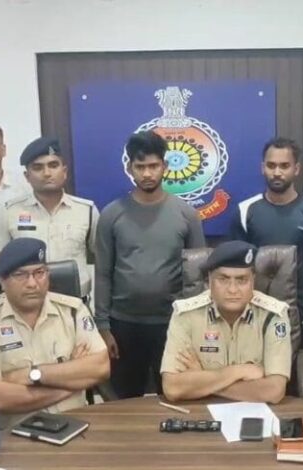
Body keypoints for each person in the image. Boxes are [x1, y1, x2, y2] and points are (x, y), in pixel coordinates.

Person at [95, 130, 206, 398]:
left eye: (153, 166)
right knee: (124, 402)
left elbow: (198, 276)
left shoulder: (186, 214)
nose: (147, 173)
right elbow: (103, 273)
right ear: (129, 168)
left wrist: (197, 326)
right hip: (123, 324)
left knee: (176, 398)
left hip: (173, 323)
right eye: (140, 166)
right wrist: (103, 326)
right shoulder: (111, 214)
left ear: (165, 166)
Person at [0, 238, 109, 428]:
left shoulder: (73, 311)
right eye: (20, 275)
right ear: (2, 281)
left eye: (39, 273)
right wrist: (72, 383)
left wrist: (32, 375)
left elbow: (101, 367)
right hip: (14, 434)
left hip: (76, 426)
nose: (32, 283)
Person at [230, 137, 303, 350]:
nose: (277, 172)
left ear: (296, 169)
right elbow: (234, 266)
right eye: (271, 165)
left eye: (284, 166)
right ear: (262, 168)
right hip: (252, 312)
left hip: (299, 312)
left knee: (297, 368)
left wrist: (296, 278)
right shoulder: (245, 211)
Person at [160, 240, 291, 403]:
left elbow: (273, 391)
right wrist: (237, 372)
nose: (232, 289)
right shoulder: (185, 315)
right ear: (210, 280)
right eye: (223, 279)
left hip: (256, 414)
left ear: (253, 281)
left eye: (241, 280)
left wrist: (202, 380)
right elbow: (172, 388)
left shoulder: (273, 316)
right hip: (199, 411)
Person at [0, 137, 99, 296]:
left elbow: (103, 259)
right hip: (27, 301)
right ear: (27, 176)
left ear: (64, 172)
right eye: (38, 168)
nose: (47, 173)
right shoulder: (10, 211)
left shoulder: (86, 210)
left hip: (76, 301)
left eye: (53, 165)